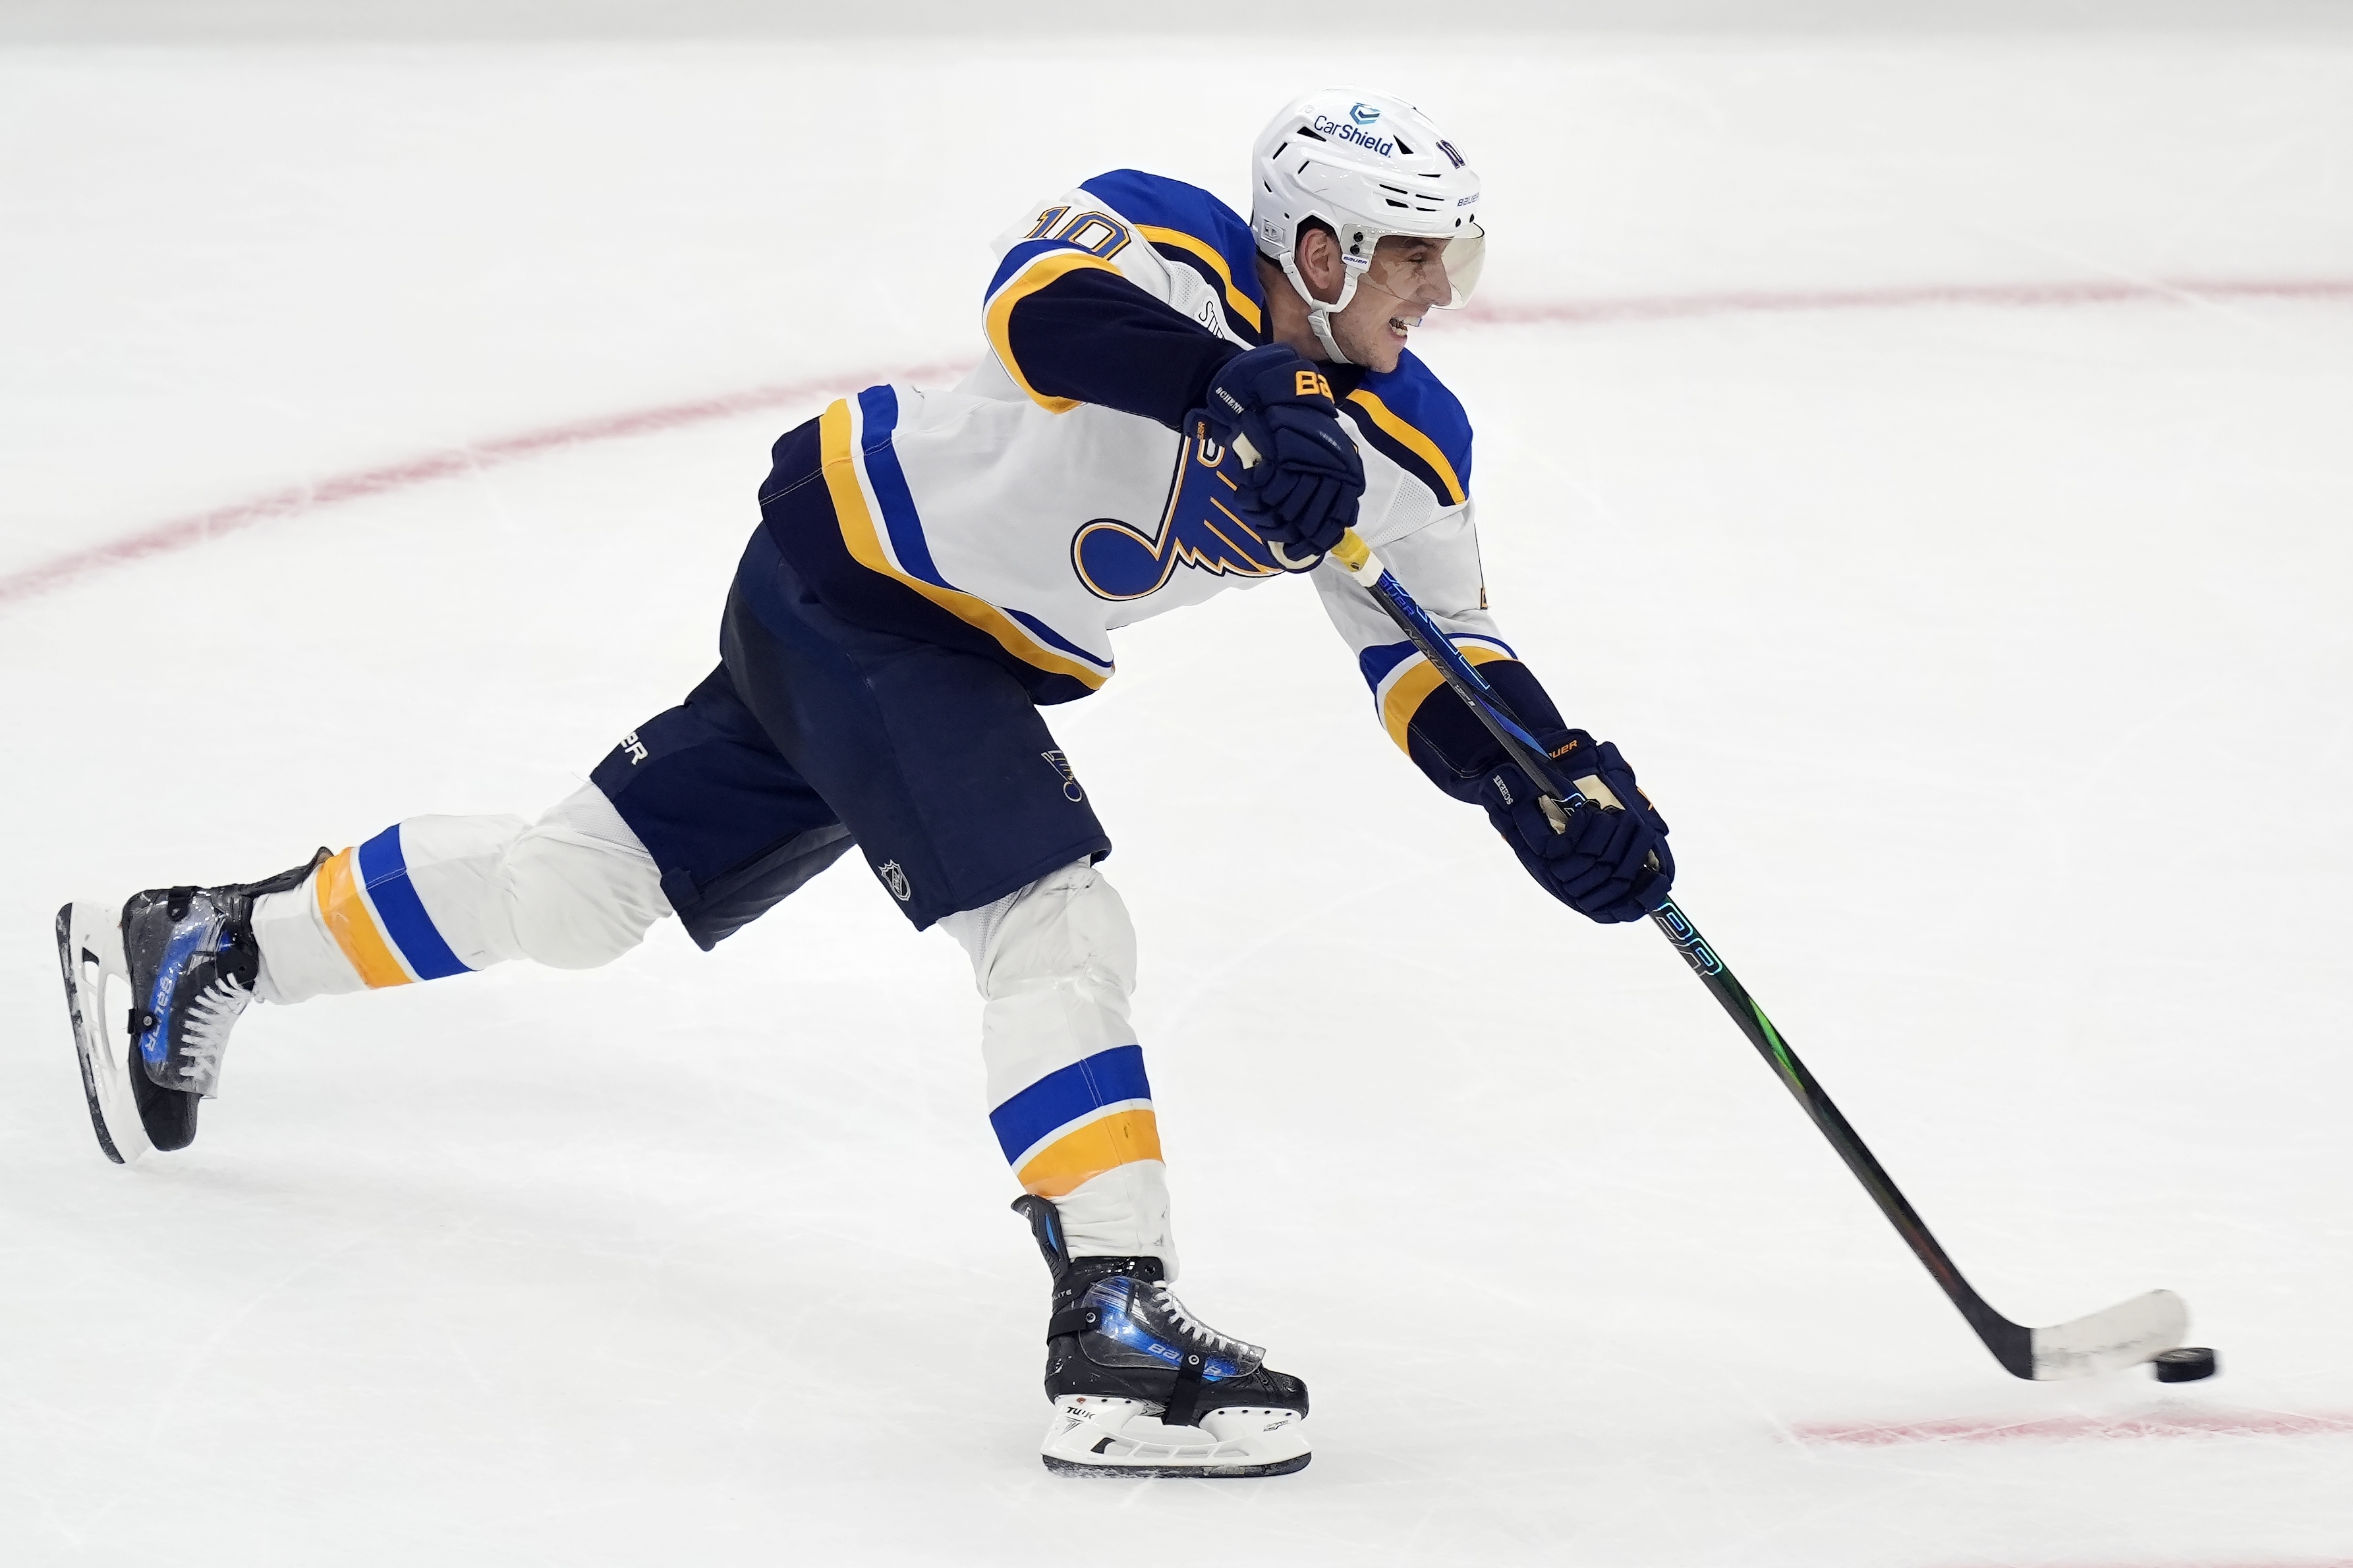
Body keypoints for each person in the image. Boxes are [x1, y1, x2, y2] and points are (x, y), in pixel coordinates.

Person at [55, 88, 1672, 1479]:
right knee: (1053, 918)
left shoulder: (1410, 436)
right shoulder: (1166, 241)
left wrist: (1542, 779)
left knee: (579, 893)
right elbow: (1037, 310)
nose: (1437, 290)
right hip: (865, 588)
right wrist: (1228, 391)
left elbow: (1429, 645)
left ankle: (215, 938)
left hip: (915, 646)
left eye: (1444, 255)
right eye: (1408, 255)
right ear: (1314, 247)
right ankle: (1111, 1313)